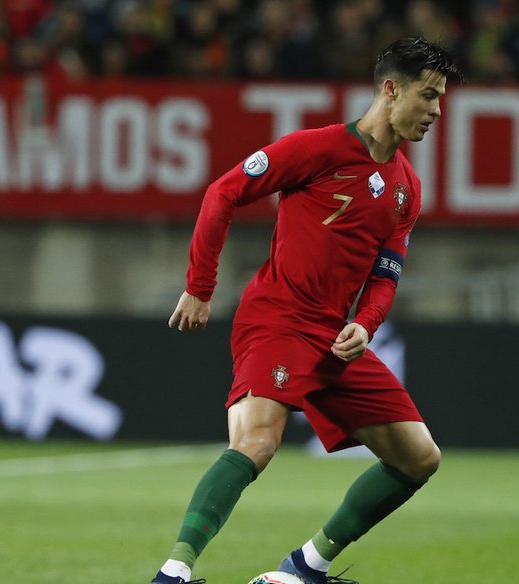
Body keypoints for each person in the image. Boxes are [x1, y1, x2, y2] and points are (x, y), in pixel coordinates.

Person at [151, 37, 459, 584]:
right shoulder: (316, 149)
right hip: (278, 317)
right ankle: (174, 573)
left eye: (441, 99)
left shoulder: (406, 190)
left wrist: (364, 326)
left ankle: (303, 568)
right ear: (390, 90)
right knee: (257, 442)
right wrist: (200, 287)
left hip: (334, 337)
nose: (438, 111)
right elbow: (222, 194)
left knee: (420, 458)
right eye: (429, 96)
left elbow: (385, 279)